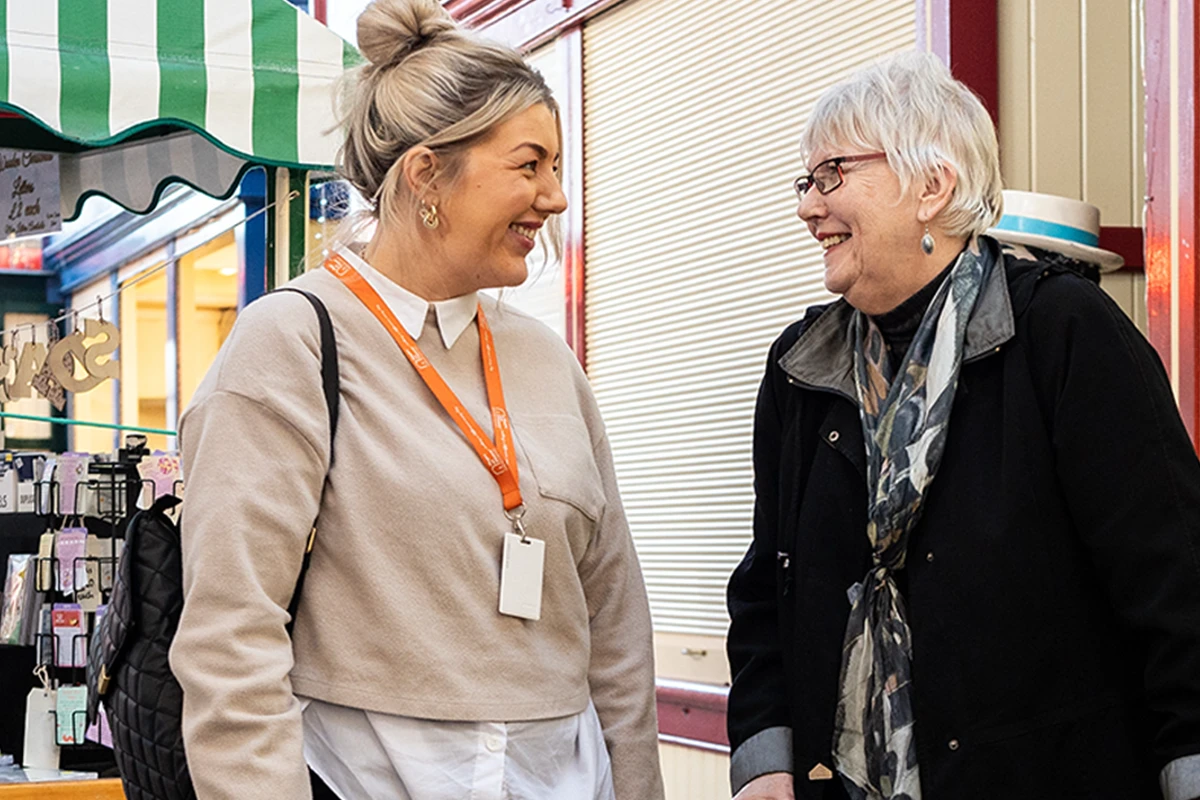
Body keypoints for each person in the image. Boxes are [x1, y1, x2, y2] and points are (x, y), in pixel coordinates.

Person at [170, 2, 664, 798]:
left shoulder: (545, 360)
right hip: (366, 773)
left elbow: (615, 623)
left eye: (557, 168)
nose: (555, 198)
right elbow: (232, 637)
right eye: (529, 165)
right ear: (427, 174)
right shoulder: (292, 342)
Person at [726, 51, 1200, 800]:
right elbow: (764, 590)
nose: (807, 207)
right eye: (805, 181)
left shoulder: (1063, 332)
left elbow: (1176, 585)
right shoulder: (799, 368)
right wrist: (765, 761)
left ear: (931, 185)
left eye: (832, 175)